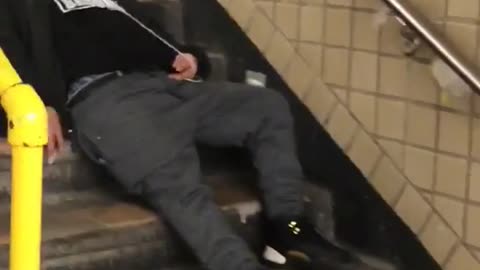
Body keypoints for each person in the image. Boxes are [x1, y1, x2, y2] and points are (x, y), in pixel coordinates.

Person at [0, 1, 365, 270]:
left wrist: (190, 57)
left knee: (265, 107)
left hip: (163, 83)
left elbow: (153, 34)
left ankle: (288, 228)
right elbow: (9, 51)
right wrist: (40, 101)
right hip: (101, 99)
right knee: (178, 183)